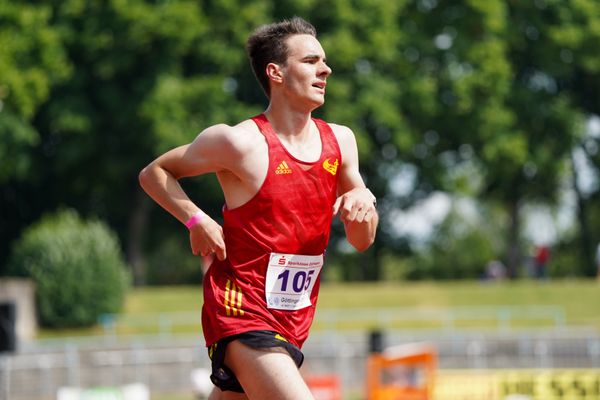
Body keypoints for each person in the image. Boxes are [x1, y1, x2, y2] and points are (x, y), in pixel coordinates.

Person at [139, 17, 378, 400]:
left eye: (325, 61)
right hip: (240, 309)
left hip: (293, 320)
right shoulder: (239, 143)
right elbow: (155, 173)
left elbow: (362, 241)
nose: (326, 69)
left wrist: (365, 202)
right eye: (311, 60)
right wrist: (195, 218)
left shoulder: (342, 141)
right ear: (276, 72)